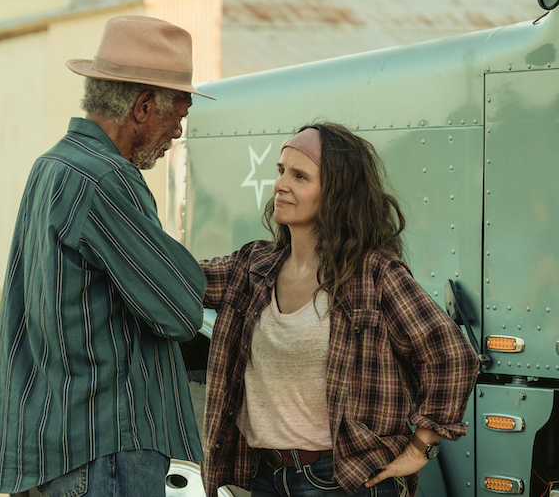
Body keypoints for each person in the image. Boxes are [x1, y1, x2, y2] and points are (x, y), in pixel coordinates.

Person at [0, 15, 215, 497]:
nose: (178, 130)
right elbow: (178, 311)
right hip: (104, 449)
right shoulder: (104, 179)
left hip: (58, 442)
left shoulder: (52, 166)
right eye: (178, 112)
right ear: (143, 106)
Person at [199, 123, 479, 497]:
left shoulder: (374, 274)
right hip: (264, 478)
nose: (281, 184)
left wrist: (421, 447)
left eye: (300, 176)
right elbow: (176, 277)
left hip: (342, 480)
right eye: (281, 171)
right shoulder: (253, 266)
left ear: (336, 193)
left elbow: (452, 355)